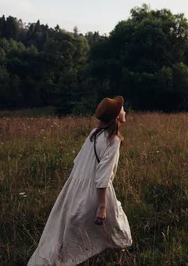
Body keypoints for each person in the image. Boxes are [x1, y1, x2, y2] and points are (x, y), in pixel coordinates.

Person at [28, 96, 132, 266]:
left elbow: (78, 162)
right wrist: (102, 206)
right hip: (97, 190)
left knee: (70, 225)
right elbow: (102, 177)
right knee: (115, 226)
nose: (125, 111)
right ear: (116, 117)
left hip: (78, 186)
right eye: (122, 109)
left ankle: (96, 254)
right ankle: (110, 255)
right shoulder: (113, 141)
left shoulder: (94, 134)